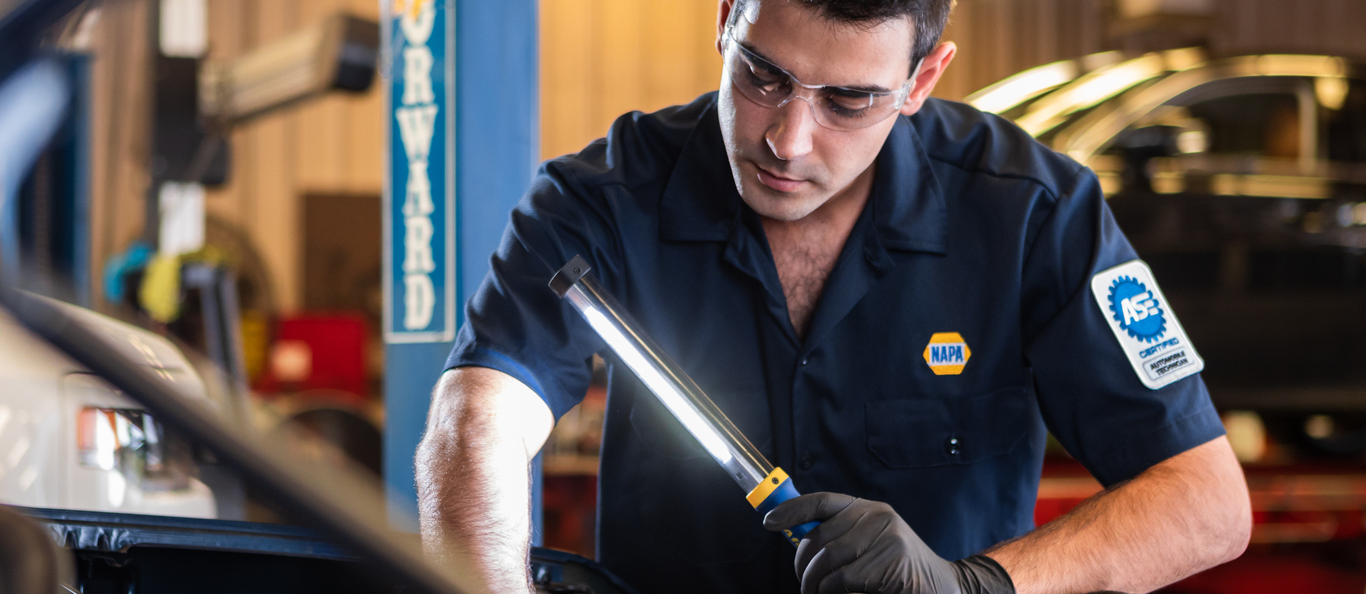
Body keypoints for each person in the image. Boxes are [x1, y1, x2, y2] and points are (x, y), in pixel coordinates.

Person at [414, 0, 1252, 592]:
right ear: (725, 19)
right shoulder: (603, 196)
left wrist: (975, 588)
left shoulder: (1032, 213)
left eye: (848, 100)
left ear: (922, 80)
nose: (787, 138)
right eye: (762, 75)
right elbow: (476, 423)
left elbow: (1207, 505)